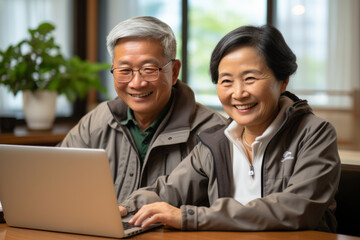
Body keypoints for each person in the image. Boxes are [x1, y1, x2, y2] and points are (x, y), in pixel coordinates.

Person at [118, 24, 341, 232]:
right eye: (226, 81)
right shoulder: (216, 141)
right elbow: (169, 190)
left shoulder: (314, 133)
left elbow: (296, 209)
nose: (238, 93)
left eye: (250, 78)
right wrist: (125, 208)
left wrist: (190, 217)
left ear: (283, 81)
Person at [58, 16, 226, 203]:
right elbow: (55, 177)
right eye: (124, 70)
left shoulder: (212, 131)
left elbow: (221, 212)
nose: (137, 83)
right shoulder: (97, 121)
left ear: (175, 71)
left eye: (149, 69)